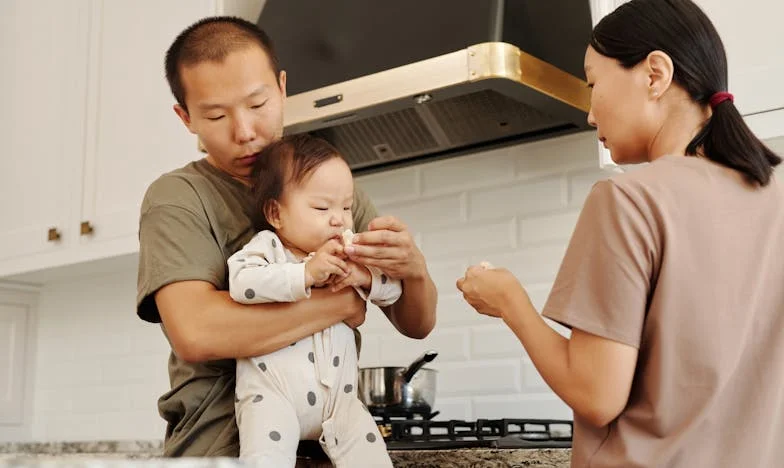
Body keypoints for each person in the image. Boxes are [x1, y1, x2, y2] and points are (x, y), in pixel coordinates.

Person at [456, 0, 783, 467]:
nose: (590, 115)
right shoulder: (776, 200)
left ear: (654, 74)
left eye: (594, 85)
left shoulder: (628, 200)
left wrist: (511, 302)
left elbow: (596, 394)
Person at [136, 16, 437, 457]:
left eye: (257, 104)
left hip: (331, 447)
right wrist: (341, 302)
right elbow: (197, 331)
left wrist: (414, 270)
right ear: (186, 118)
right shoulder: (178, 197)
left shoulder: (324, 183)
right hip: (221, 450)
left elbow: (416, 323)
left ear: (281, 87)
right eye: (216, 115)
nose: (244, 131)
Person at [228, 134, 398, 467]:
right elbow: (241, 283)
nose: (340, 219)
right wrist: (306, 274)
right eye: (322, 208)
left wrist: (365, 277)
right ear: (276, 214)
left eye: (346, 207)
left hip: (341, 403)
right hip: (273, 394)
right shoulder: (269, 248)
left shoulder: (350, 256)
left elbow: (393, 290)